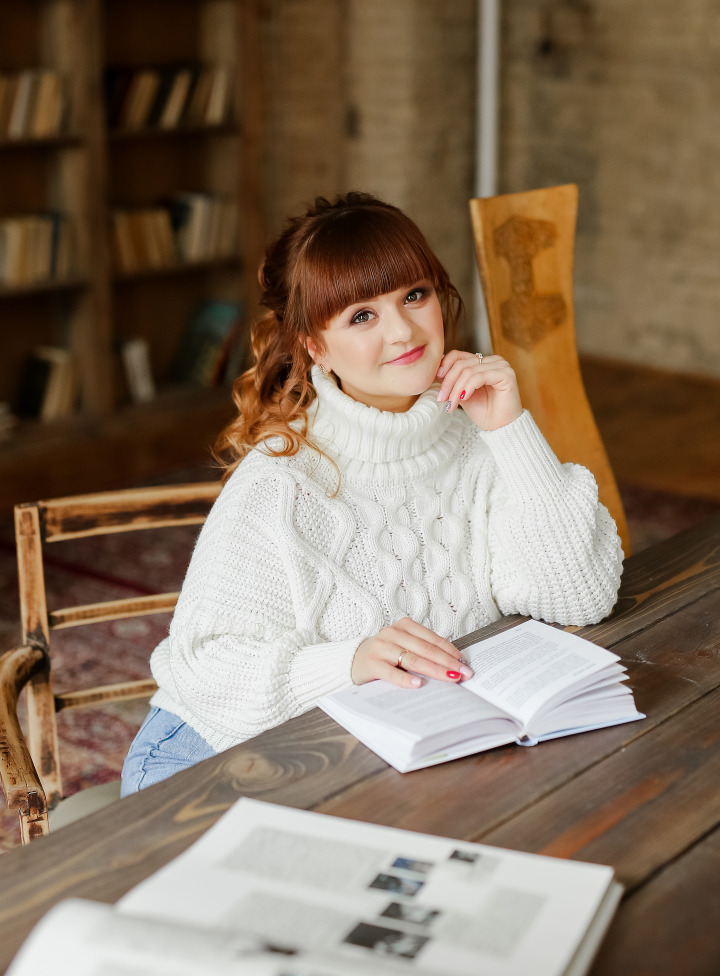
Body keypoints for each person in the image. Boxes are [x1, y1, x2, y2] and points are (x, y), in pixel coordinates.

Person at [121, 192, 623, 795]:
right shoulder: (280, 480)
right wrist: (348, 663)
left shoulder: (482, 435)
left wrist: (511, 430)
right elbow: (207, 670)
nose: (404, 331)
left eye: (415, 295)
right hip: (210, 757)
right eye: (362, 316)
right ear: (313, 344)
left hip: (373, 750)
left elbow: (580, 594)